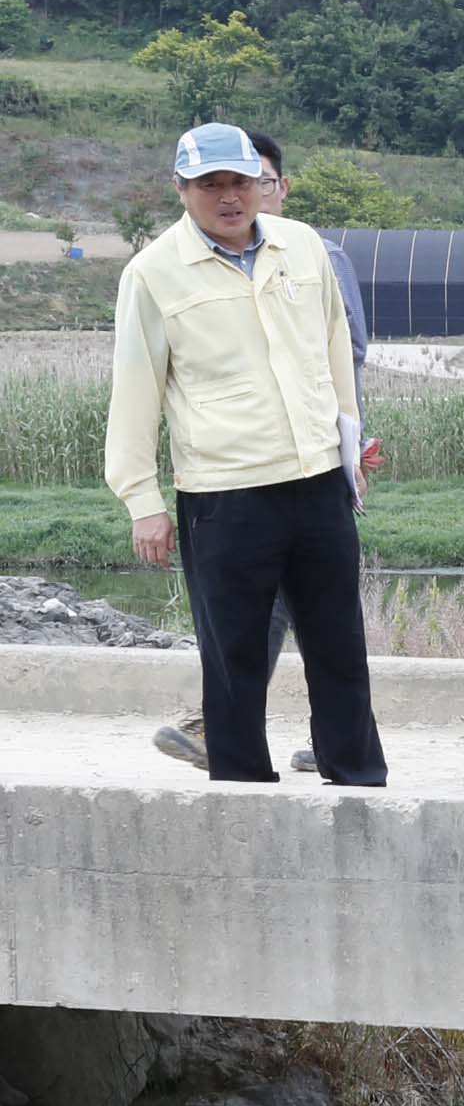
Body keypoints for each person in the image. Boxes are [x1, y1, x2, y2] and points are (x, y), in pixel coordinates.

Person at [107, 122, 384, 787]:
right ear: (181, 190)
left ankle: (357, 784)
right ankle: (241, 794)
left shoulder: (303, 247)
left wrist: (347, 452)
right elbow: (136, 390)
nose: (229, 197)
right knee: (231, 659)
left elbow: (334, 356)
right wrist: (143, 501)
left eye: (241, 181)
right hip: (225, 493)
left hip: (316, 481)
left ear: (264, 185)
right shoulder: (153, 274)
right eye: (210, 185)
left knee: (339, 647)